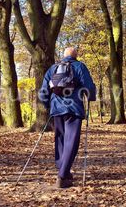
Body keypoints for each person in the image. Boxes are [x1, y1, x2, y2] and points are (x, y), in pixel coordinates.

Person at [39, 47, 96, 188]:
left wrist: (48, 106)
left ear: (64, 56)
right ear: (76, 56)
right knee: (71, 141)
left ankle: (63, 169)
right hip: (74, 109)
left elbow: (43, 92)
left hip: (56, 109)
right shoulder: (79, 66)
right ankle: (62, 176)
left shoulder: (53, 68)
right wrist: (91, 97)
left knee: (60, 139)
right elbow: (88, 86)